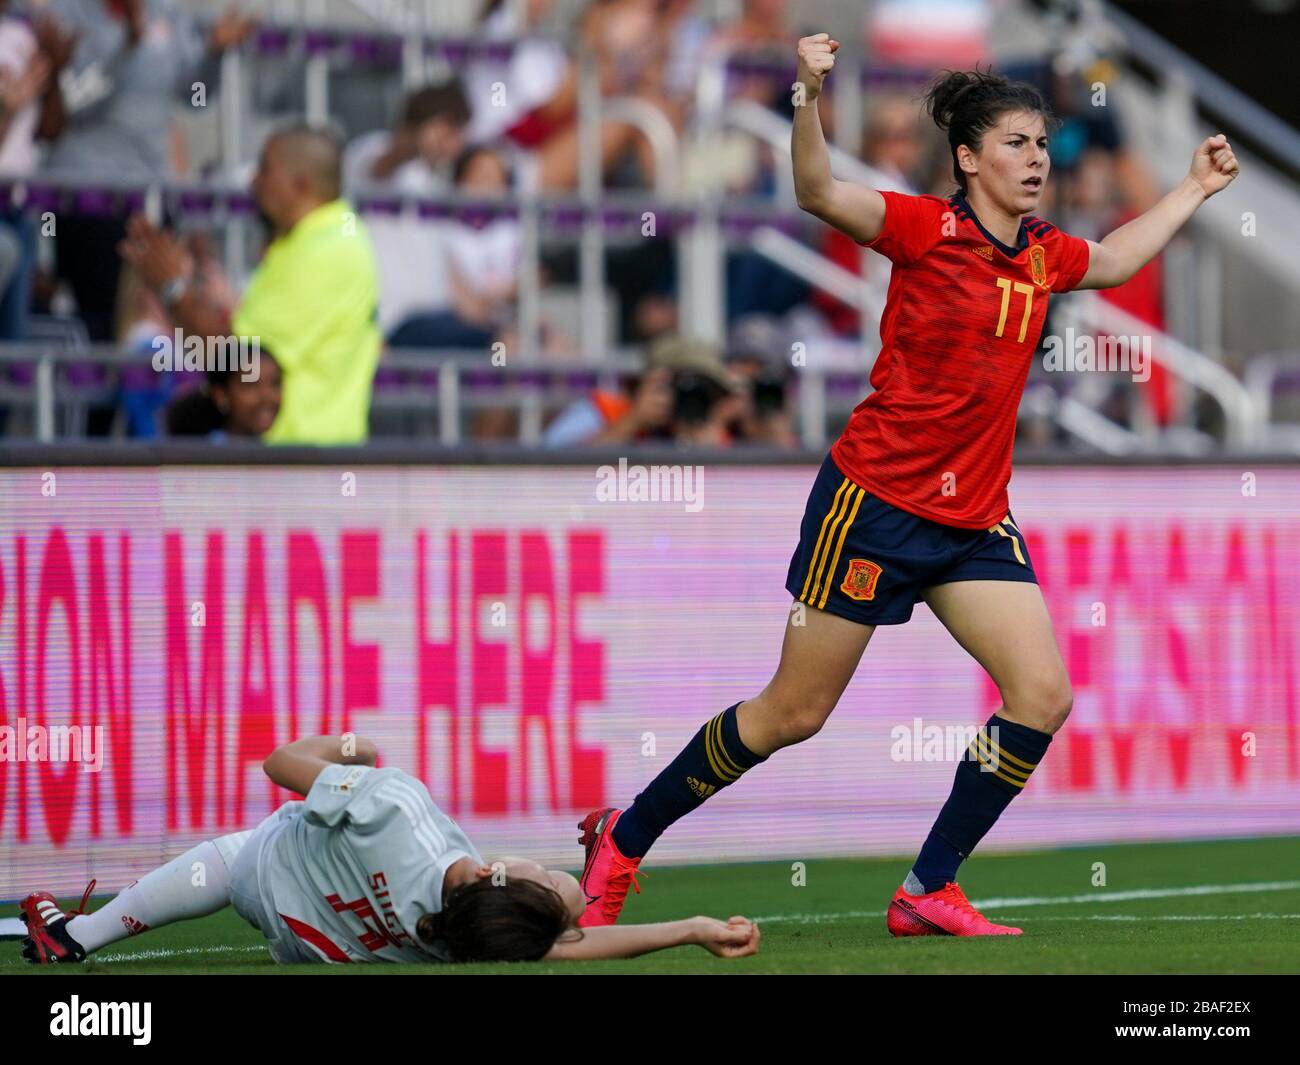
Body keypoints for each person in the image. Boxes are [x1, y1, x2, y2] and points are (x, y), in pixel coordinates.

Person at [577, 37, 1239, 936]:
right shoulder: (926, 227)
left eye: (1041, 143)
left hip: (972, 520)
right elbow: (817, 192)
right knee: (790, 713)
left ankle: (928, 886)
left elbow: (1117, 259)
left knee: (1042, 694)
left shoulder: (1045, 254)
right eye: (1014, 143)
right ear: (967, 158)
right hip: (875, 504)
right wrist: (808, 93)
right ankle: (624, 833)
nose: (1036, 159)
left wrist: (1194, 189)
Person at [17, 735, 761, 965]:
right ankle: (73, 934)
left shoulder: (395, 806)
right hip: (312, 943)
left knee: (251, 839)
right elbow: (582, 946)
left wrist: (346, 749)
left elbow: (278, 762)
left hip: (266, 872)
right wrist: (693, 930)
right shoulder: (470, 938)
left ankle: (76, 933)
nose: (568, 885)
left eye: (554, 879)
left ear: (503, 874)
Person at [119, 126, 381, 445]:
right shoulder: (322, 241)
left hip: (300, 467)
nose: (253, 181)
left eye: (265, 168)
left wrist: (174, 289)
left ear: (299, 184)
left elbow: (235, 361)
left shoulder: (325, 251)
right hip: (302, 462)